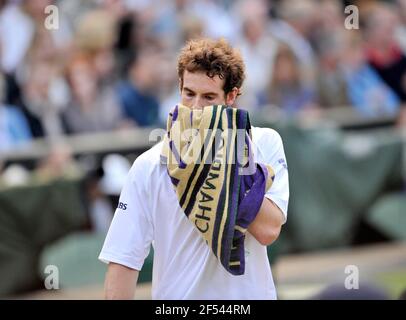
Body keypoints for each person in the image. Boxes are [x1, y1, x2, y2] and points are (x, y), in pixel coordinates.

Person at [99, 38, 289, 299]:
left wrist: (226, 156)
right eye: (189, 94)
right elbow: (123, 260)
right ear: (179, 88)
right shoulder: (149, 165)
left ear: (231, 96)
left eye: (209, 97)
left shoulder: (264, 143)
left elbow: (268, 231)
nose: (196, 107)